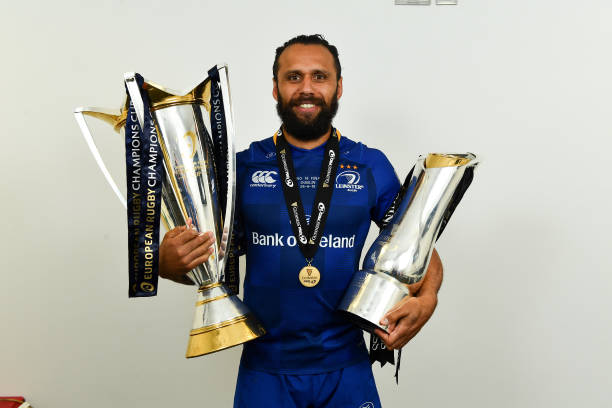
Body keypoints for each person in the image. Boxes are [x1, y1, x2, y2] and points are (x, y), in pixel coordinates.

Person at [159, 34, 443, 408]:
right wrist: (165, 261)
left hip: (347, 366)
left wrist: (428, 299)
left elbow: (418, 249)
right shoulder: (242, 168)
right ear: (275, 89)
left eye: (319, 77)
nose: (306, 88)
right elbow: (202, 259)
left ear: (338, 87)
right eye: (293, 77)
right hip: (265, 370)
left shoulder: (369, 165)